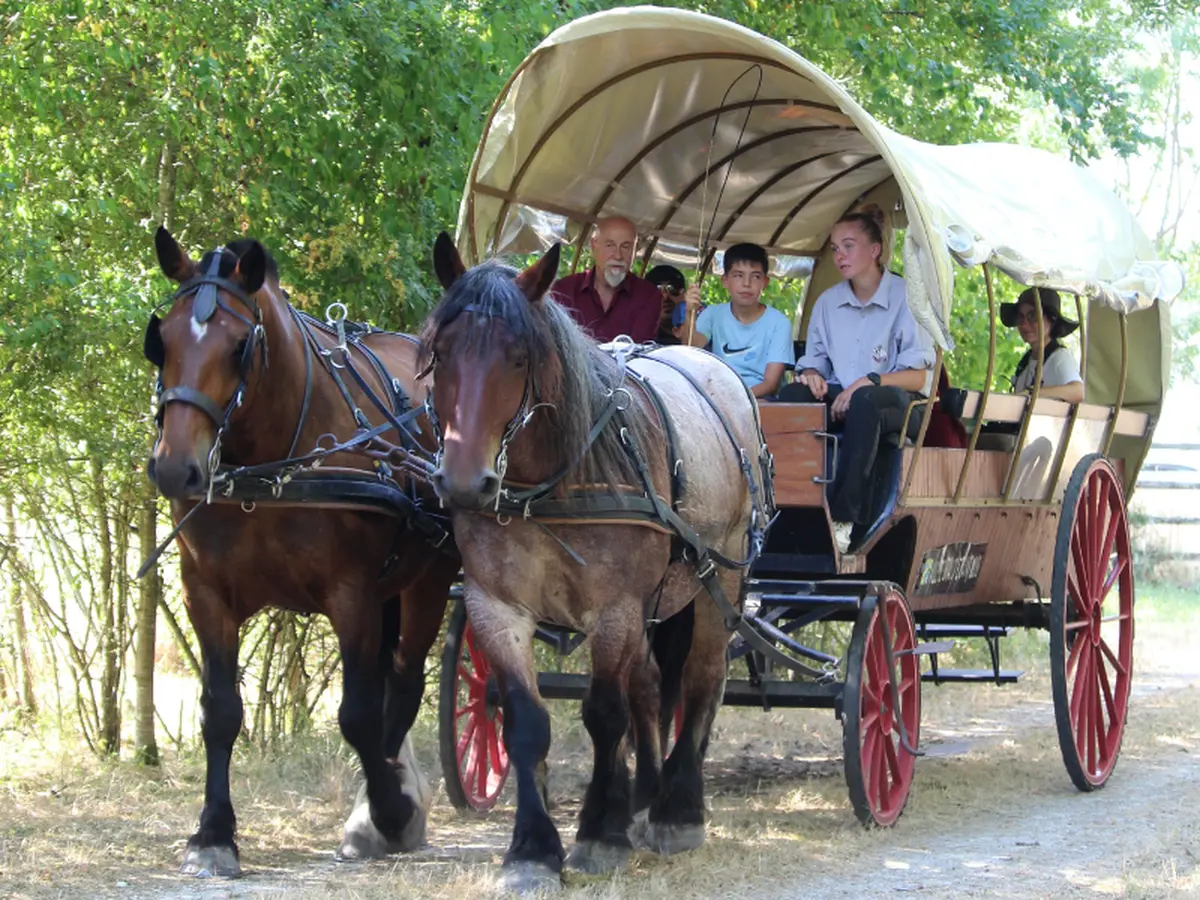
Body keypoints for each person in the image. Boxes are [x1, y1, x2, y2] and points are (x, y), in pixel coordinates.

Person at [776, 206, 934, 553]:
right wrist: (812, 375)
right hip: (841, 394)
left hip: (899, 402)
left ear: (874, 249)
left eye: (849, 246)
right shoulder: (828, 303)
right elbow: (814, 360)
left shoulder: (906, 299)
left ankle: (845, 519)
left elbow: (917, 376)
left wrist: (866, 383)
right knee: (791, 394)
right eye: (834, 248)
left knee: (865, 401)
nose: (840, 256)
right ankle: (781, 507)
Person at [679, 243, 793, 398]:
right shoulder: (713, 313)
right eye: (738, 275)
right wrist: (689, 312)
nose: (746, 284)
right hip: (719, 396)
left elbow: (770, 384)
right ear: (725, 281)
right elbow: (690, 348)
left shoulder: (779, 323)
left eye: (755, 276)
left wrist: (736, 401)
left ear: (765, 283)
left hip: (760, 398)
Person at [551, 216, 662, 343]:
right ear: (594, 245)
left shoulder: (648, 296)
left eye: (626, 247)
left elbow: (638, 353)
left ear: (634, 251)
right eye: (610, 245)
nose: (618, 255)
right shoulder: (563, 291)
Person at [1000, 287, 1084, 403]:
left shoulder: (1059, 357)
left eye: (1032, 316)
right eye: (1020, 317)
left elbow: (1078, 391)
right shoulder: (1026, 362)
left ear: (1052, 320)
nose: (1024, 324)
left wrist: (1033, 393)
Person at [645, 263, 688, 345]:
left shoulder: (700, 334)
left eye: (672, 289)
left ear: (685, 295)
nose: (665, 296)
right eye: (657, 290)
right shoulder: (640, 337)